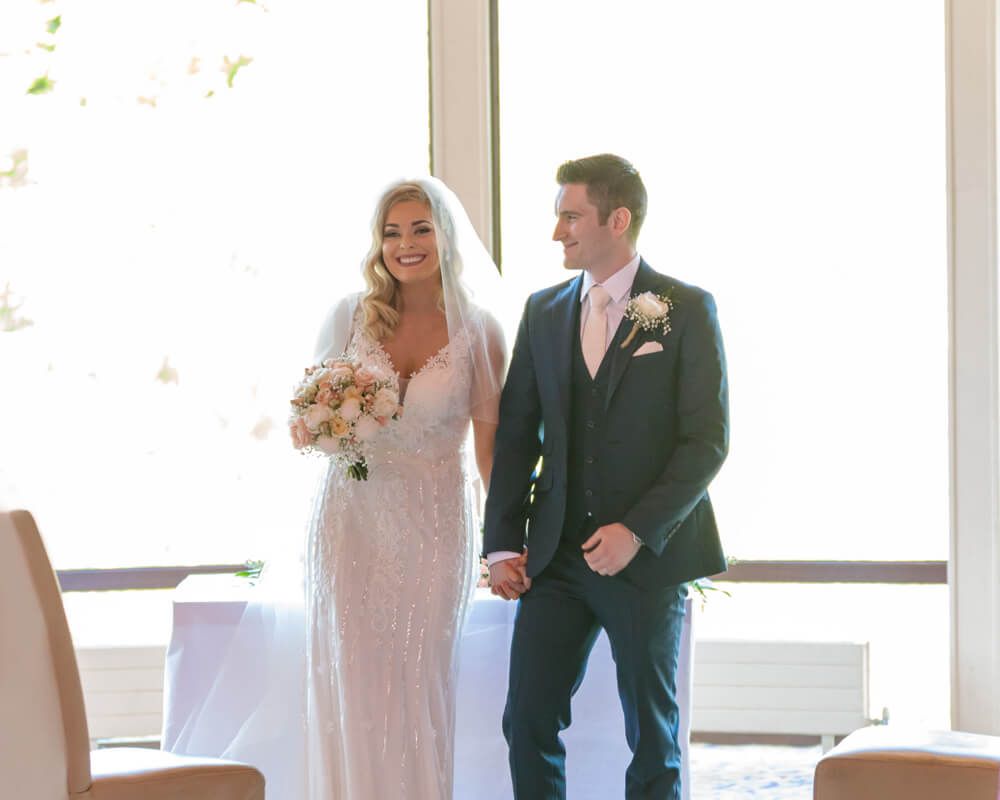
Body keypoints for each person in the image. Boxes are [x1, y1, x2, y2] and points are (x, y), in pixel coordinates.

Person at [169, 176, 508, 799]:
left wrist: (503, 545)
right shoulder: (350, 315)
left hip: (435, 521)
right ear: (378, 244)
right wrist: (326, 424)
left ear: (446, 235)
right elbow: (308, 417)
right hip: (350, 517)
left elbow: (490, 451)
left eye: (420, 229)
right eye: (392, 232)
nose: (406, 244)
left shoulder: (480, 330)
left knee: (418, 675)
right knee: (349, 674)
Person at [484, 154, 729, 799]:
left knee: (652, 734)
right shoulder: (544, 312)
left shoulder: (685, 309)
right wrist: (504, 542)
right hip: (557, 556)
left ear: (617, 220)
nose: (557, 231)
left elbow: (706, 443)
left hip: (647, 560)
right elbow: (516, 436)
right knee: (527, 719)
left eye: (571, 216)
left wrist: (638, 531)